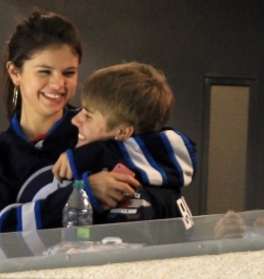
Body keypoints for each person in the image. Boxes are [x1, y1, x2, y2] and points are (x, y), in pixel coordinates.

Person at [0, 10, 140, 236]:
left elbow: (171, 154)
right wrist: (83, 193)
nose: (58, 84)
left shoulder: (97, 128)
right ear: (15, 72)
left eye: (69, 72)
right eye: (44, 72)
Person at [52, 62, 197, 224]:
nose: (75, 120)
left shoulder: (133, 194)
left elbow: (119, 248)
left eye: (89, 116)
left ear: (123, 132)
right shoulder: (155, 173)